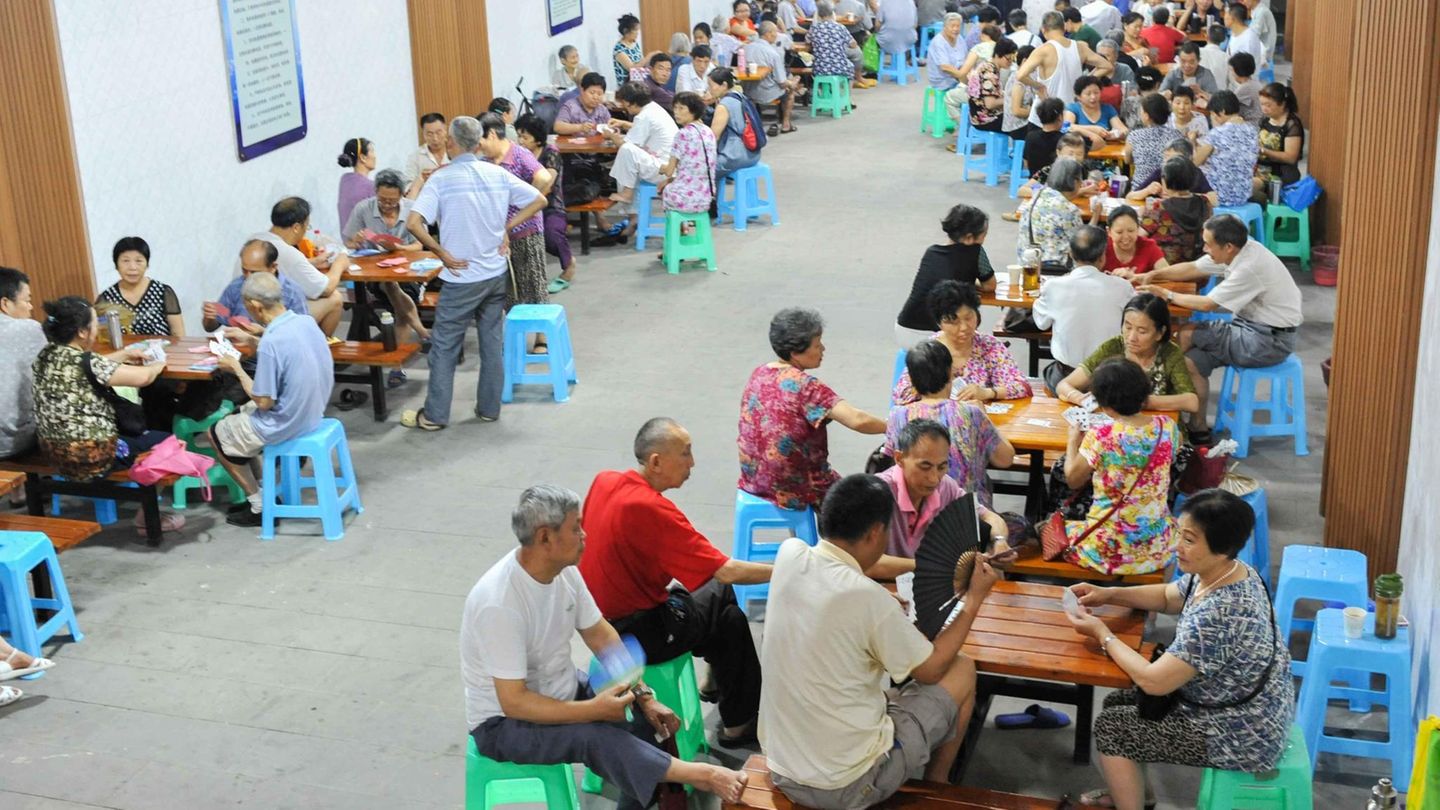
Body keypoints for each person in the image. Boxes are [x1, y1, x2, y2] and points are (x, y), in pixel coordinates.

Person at [463, 485, 749, 809]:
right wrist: (592, 711)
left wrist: (644, 696)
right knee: (595, 738)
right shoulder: (500, 604)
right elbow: (514, 702)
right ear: (545, 537)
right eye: (575, 528)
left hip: (563, 688)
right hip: (503, 724)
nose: (585, 535)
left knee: (641, 721)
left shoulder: (565, 572)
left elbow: (601, 635)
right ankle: (704, 775)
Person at [760, 473, 998, 808]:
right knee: (961, 669)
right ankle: (939, 787)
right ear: (875, 533)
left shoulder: (790, 553)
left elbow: (836, 592)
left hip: (782, 766)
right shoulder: (869, 598)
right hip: (846, 785)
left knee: (883, 689)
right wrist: (973, 599)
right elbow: (930, 671)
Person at [1064, 488, 1293, 810]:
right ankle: (1137, 793)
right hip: (1238, 707)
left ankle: (1132, 804)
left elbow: (1154, 681)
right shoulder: (1230, 572)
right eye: (1180, 534)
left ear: (1222, 547)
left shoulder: (1221, 611)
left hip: (1240, 733)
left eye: (1189, 540)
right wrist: (1110, 595)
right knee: (1117, 701)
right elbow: (1171, 596)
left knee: (1113, 729)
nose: (1177, 547)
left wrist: (1101, 632)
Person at [579, 418, 770, 747]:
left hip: (598, 622)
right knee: (727, 609)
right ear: (656, 461)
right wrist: (795, 565)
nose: (692, 463)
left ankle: (719, 685)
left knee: (721, 613)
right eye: (685, 453)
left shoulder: (604, 481)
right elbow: (726, 571)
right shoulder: (653, 509)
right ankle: (736, 719)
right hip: (637, 635)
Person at [401, 117, 547, 431]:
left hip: (461, 278)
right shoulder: (497, 173)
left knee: (444, 347)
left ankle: (435, 415)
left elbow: (413, 223)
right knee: (492, 343)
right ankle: (489, 409)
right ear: (478, 143)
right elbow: (539, 199)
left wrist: (440, 252)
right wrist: (506, 227)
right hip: (495, 274)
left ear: (452, 143)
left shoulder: (441, 179)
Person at [1132, 215, 1301, 436]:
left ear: (1228, 247)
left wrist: (1167, 294)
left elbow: (1207, 304)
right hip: (1253, 330)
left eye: (1208, 244)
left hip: (1267, 340)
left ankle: (1153, 392)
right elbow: (1194, 268)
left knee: (1186, 333)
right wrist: (1152, 275)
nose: (1204, 248)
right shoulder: (1238, 249)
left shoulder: (1248, 267)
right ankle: (1198, 427)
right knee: (1191, 362)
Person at [205, 272, 332, 528]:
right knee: (237, 416)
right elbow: (287, 345)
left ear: (255, 306)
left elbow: (264, 402)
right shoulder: (305, 322)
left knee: (215, 433)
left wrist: (236, 367)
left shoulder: (271, 343)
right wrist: (254, 337)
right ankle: (268, 492)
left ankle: (260, 506)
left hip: (287, 422)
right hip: (313, 411)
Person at [31, 297, 174, 525]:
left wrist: (125, 355)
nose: (98, 329)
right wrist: (158, 364)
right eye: (95, 324)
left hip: (52, 453)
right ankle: (147, 518)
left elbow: (89, 365)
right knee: (166, 439)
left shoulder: (45, 356)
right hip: (93, 457)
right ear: (82, 332)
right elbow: (143, 378)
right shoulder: (87, 361)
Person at [737, 307, 886, 510]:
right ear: (795, 353)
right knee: (864, 503)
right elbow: (857, 420)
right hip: (795, 486)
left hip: (754, 480)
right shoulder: (805, 387)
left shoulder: (759, 373)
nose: (822, 349)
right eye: (817, 345)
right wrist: (893, 426)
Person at [1054, 358, 1181, 575]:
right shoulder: (1166, 427)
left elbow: (1073, 479)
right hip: (1158, 544)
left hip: (1109, 548)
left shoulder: (1102, 436)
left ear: (1104, 405)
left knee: (1049, 528)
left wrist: (1073, 441)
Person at [885, 345, 1016, 508]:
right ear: (950, 373)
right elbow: (1005, 459)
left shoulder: (897, 416)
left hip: (913, 517)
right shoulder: (971, 413)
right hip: (969, 518)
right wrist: (985, 417)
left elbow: (895, 466)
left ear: (911, 380)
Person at [877, 418, 1011, 565]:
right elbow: (864, 563)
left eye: (941, 467)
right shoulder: (877, 494)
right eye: (925, 466)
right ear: (899, 458)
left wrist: (999, 541)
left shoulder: (946, 487)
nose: (934, 479)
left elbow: (988, 516)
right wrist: (932, 567)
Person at [341, 169, 432, 366]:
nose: (387, 205)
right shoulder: (363, 208)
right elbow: (348, 242)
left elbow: (420, 245)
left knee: (394, 292)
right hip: (376, 273)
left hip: (409, 271)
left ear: (401, 194)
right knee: (388, 284)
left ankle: (397, 364)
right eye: (382, 200)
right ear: (375, 192)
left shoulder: (412, 209)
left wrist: (400, 248)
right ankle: (421, 333)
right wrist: (355, 242)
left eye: (392, 201)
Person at [1057, 293, 1200, 416]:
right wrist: (1080, 398)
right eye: (1128, 327)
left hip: (1158, 430)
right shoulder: (1113, 347)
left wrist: (1137, 402)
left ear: (1160, 333)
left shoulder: (1170, 353)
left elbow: (1192, 402)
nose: (1131, 337)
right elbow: (1064, 385)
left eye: (1142, 331)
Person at [1033, 226, 1137, 393]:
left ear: (1071, 254)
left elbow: (1041, 324)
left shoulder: (1053, 286)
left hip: (1066, 377)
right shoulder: (1122, 287)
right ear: (1103, 256)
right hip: (1110, 379)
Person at [893, 281, 1032, 404]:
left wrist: (987, 392)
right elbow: (901, 395)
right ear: (939, 323)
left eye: (969, 317)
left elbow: (1022, 386)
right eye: (954, 322)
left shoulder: (989, 347)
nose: (964, 327)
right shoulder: (930, 352)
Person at [478, 113, 554, 316]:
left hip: (525, 232)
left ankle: (541, 338)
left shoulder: (518, 154)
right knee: (508, 293)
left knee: (534, 286)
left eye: (481, 141)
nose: (480, 147)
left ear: (492, 134)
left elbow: (544, 178)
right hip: (499, 237)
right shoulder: (485, 162)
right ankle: (514, 338)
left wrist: (524, 203)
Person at [895, 204, 997, 347]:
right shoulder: (976, 252)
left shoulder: (931, 252)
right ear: (969, 238)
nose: (984, 240)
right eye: (983, 235)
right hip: (937, 335)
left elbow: (940, 278)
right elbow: (990, 285)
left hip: (905, 327)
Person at [243, 197, 345, 337]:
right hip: (268, 319)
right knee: (335, 298)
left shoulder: (254, 241)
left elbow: (283, 268)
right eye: (306, 227)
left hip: (247, 312)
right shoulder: (287, 252)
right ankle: (316, 350)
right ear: (297, 227)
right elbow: (325, 289)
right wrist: (340, 263)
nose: (305, 232)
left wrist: (311, 262)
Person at [514, 114, 577, 294]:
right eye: (519, 136)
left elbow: (548, 182)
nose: (521, 141)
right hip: (523, 205)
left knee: (551, 233)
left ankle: (569, 266)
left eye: (525, 137)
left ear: (538, 138)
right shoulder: (519, 153)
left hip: (550, 205)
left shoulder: (551, 152)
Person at [204, 240, 311, 336]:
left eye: (255, 272)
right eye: (244, 270)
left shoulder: (292, 292)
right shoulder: (236, 287)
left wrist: (263, 333)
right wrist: (210, 318)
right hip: (239, 354)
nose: (249, 277)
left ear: (273, 267)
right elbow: (211, 327)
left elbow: (302, 334)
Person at [603, 82, 678, 210]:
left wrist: (611, 136)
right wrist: (624, 123)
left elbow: (626, 145)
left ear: (629, 102)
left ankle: (627, 195)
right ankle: (634, 217)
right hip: (668, 165)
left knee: (626, 152)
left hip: (663, 170)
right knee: (632, 161)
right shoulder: (653, 108)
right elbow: (644, 129)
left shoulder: (644, 116)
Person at [96, 236, 184, 337]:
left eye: (138, 261)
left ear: (147, 264)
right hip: (124, 352)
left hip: (163, 351)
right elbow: (102, 336)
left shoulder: (163, 292)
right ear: (116, 265)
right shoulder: (106, 298)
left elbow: (178, 334)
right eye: (125, 261)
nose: (133, 267)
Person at [0, 267, 45, 459]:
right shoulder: (26, 328)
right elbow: (64, 365)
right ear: (5, 303)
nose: (31, 307)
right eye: (27, 300)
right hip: (13, 441)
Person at [1137, 158, 1214, 264]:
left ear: (1165, 181)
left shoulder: (1159, 208)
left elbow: (1138, 237)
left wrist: (1141, 216)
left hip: (1164, 269)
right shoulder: (1205, 203)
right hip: (1198, 269)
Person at [658, 92, 718, 220]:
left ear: (693, 110)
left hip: (686, 199)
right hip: (707, 196)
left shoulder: (682, 134)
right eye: (675, 108)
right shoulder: (708, 131)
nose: (676, 112)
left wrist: (661, 167)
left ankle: (680, 233)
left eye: (681, 108)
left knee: (666, 188)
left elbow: (669, 171)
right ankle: (690, 233)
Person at [1194, 90, 1259, 207]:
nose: (1213, 118)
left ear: (1222, 111)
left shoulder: (1217, 133)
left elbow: (1195, 163)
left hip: (1218, 196)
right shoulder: (1252, 131)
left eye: (1213, 114)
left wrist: (1192, 141)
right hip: (1243, 195)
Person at [1016, 157, 1086, 266]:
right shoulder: (1069, 210)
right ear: (1076, 182)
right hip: (1057, 271)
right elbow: (1082, 244)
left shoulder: (1036, 196)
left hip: (1027, 266)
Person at [707, 69, 763, 181]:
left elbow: (713, 137)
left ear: (724, 85)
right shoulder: (741, 96)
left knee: (701, 169)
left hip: (735, 157)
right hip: (753, 154)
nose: (709, 90)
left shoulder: (724, 105)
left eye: (711, 85)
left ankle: (711, 198)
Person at [743, 22, 800, 133]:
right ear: (768, 34)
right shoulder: (772, 53)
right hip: (768, 92)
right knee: (790, 91)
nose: (777, 34)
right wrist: (792, 83)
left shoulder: (746, 48)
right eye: (775, 32)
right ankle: (786, 123)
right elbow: (782, 82)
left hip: (749, 91)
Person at [943, 24, 1005, 125]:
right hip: (1002, 93)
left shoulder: (978, 48)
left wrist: (961, 78)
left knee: (949, 97)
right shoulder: (1003, 48)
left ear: (983, 35)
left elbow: (963, 73)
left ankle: (964, 127)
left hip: (983, 96)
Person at [1254, 82, 1304, 193]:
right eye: (1262, 104)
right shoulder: (1265, 120)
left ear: (1282, 104)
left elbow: (1290, 157)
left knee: (1248, 188)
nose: (1264, 109)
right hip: (1260, 172)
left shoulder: (1292, 124)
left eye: (1268, 105)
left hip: (1280, 176)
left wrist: (1263, 151)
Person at [1124, 95, 1182, 183]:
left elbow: (1127, 160)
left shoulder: (1134, 136)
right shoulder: (1176, 135)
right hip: (1168, 189)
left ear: (1146, 116)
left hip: (1140, 189)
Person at [810, 2, 868, 89]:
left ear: (818, 15)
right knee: (851, 66)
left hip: (819, 68)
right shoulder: (840, 28)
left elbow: (808, 41)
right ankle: (847, 98)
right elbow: (853, 44)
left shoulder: (814, 28)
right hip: (839, 68)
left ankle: (825, 92)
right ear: (833, 13)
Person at [1101, 204, 1170, 276]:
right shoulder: (1101, 247)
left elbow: (1169, 274)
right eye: (1119, 232)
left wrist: (1136, 277)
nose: (1126, 237)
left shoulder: (1148, 246)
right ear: (1109, 232)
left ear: (1138, 229)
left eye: (1131, 231)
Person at [968, 38, 1021, 132]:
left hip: (980, 115)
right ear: (997, 55)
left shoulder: (987, 66)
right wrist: (1012, 99)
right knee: (1022, 125)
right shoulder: (990, 73)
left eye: (1013, 59)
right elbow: (990, 104)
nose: (1010, 62)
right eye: (1008, 59)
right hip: (986, 120)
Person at [1066, 75, 1127, 149]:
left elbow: (1124, 130)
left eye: (1096, 92)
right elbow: (1066, 127)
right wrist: (1093, 129)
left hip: (1105, 152)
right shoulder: (1073, 108)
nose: (1093, 97)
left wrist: (1117, 134)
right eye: (1088, 94)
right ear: (1078, 96)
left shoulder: (1107, 108)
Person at [404, 113, 450, 199]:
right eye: (429, 134)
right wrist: (420, 180)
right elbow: (407, 187)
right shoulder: (415, 157)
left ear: (445, 130)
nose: (435, 138)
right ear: (423, 134)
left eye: (438, 132)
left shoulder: (456, 151)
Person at [336, 137, 376, 229]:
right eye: (372, 151)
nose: (375, 156)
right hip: (366, 242)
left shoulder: (344, 181)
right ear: (363, 158)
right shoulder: (371, 187)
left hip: (347, 241)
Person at [1023, 98, 1068, 175]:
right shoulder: (1064, 139)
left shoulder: (1030, 136)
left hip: (1034, 183)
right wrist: (1074, 127)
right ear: (1060, 117)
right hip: (1056, 183)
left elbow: (1026, 164)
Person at [927, 13, 969, 91]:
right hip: (943, 81)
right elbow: (945, 67)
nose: (955, 29)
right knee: (972, 93)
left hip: (958, 76)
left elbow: (966, 59)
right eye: (952, 26)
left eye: (958, 26)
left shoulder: (959, 38)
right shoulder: (938, 42)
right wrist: (962, 77)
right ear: (945, 27)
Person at [1223, 2, 1265, 70]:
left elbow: (1246, 67)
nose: (1224, 17)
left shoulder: (1248, 39)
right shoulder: (1234, 33)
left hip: (1244, 77)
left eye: (1226, 14)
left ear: (1232, 18)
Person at [1227, 52, 1263, 126]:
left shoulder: (1244, 88)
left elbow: (1227, 106)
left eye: (1231, 70)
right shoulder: (1256, 83)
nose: (1231, 73)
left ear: (1237, 70)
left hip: (1250, 126)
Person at [613, 14, 648, 85]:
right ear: (626, 31)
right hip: (628, 88)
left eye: (638, 30)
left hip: (640, 83)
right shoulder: (619, 49)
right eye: (635, 30)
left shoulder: (634, 43)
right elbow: (633, 69)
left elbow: (642, 63)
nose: (638, 33)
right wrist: (649, 57)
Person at [1242, 0, 1276, 66]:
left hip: (1263, 54)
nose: (1243, 2)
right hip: (1260, 50)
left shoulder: (1261, 12)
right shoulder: (1256, 10)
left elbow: (1252, 34)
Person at [1198, 23, 1231, 92]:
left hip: (1199, 95)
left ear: (1206, 36)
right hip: (1220, 97)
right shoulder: (1227, 58)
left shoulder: (1197, 52)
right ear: (1224, 40)